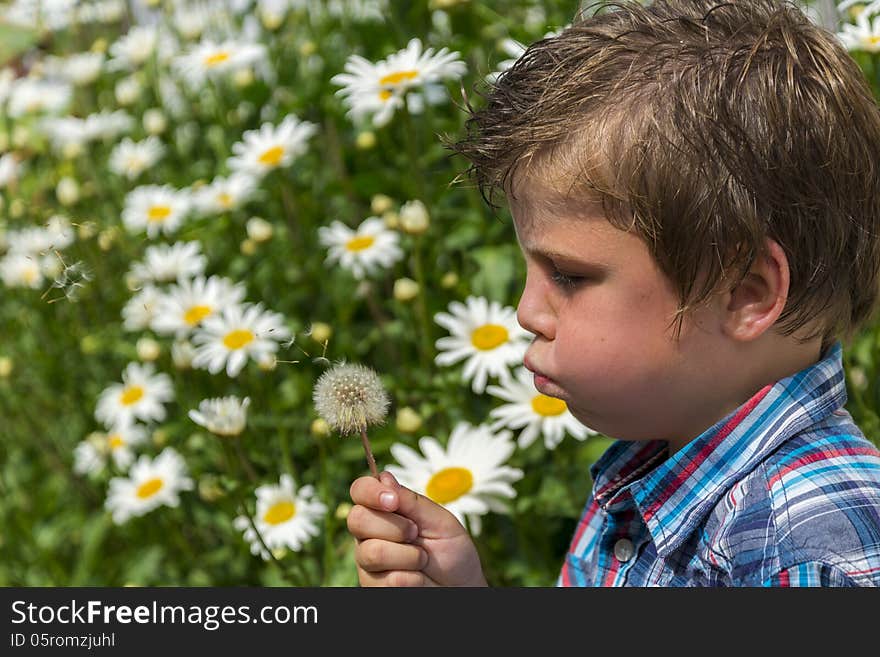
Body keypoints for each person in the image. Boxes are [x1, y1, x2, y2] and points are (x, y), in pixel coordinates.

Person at [347, 0, 880, 586]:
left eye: (569, 276)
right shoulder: (654, 465)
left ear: (745, 294)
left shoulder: (809, 548)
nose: (525, 313)